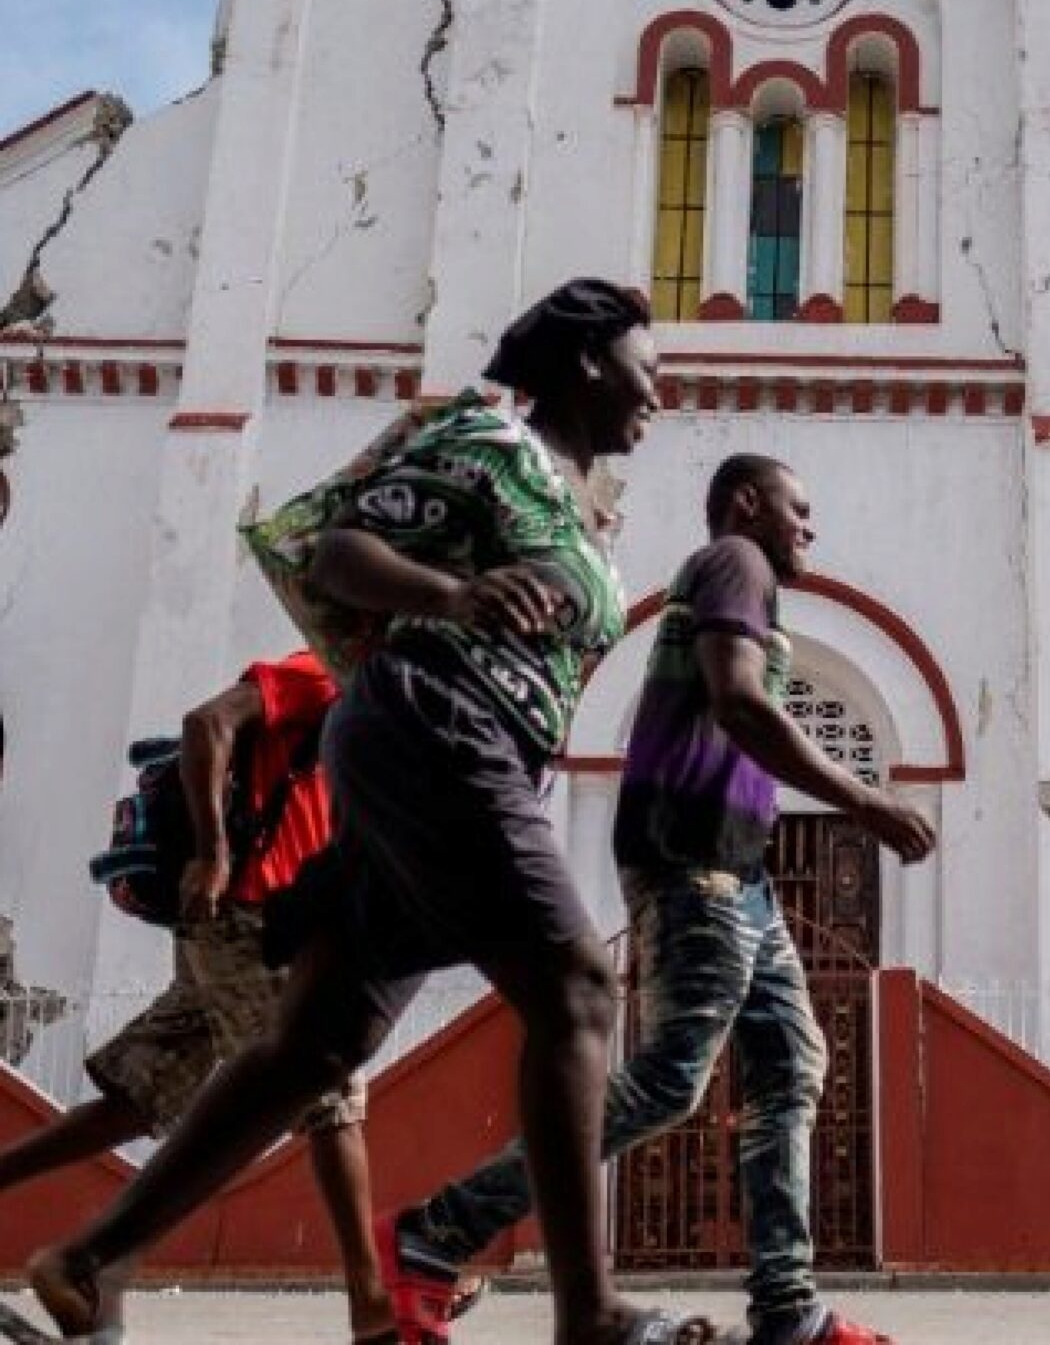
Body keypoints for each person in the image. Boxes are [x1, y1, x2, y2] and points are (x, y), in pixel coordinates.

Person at [16, 280, 710, 1345]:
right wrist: (449, 594)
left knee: (314, 1044)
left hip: (459, 756)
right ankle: (591, 1313)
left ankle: (88, 1252)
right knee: (576, 986)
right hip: (434, 725)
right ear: (585, 362)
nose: (658, 392)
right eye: (646, 369)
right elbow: (345, 551)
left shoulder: (578, 500)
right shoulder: (490, 442)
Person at [376, 454, 935, 1345]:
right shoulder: (735, 564)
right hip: (692, 863)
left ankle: (789, 1309)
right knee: (673, 1077)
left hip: (740, 875)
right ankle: (433, 1234)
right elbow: (742, 703)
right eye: (799, 508)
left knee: (792, 1064)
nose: (809, 529)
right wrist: (865, 799)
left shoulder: (751, 583)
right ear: (748, 504)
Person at [0, 652, 433, 1341]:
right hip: (249, 915)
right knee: (327, 1090)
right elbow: (206, 723)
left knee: (137, 1099)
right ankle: (370, 1303)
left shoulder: (379, 698)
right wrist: (212, 851)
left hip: (245, 920)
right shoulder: (321, 671)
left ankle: (101, 1263)